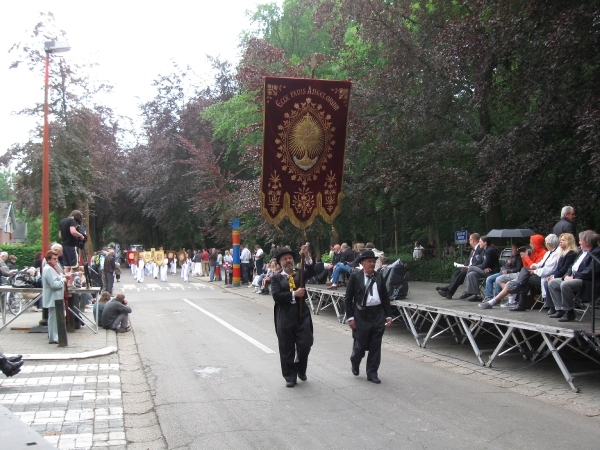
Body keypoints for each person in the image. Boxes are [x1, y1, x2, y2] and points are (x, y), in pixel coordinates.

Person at [344, 250, 393, 384]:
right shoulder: (355, 277)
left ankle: (372, 373)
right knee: (360, 344)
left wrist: (388, 315)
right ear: (362, 263)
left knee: (375, 345)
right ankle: (355, 360)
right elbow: (348, 299)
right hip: (361, 314)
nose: (372, 264)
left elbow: (385, 297)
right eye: (369, 262)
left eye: (374, 261)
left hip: (377, 314)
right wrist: (350, 318)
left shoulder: (379, 277)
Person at [271, 245, 315, 387]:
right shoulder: (276, 278)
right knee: (286, 347)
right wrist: (293, 294)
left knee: (305, 343)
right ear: (280, 263)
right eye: (285, 259)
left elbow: (314, 270)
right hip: (285, 315)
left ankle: (301, 368)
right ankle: (290, 376)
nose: (288, 261)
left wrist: (306, 255)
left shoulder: (300, 273)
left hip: (302, 314)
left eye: (290, 258)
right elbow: (276, 296)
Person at [479, 234, 558, 309]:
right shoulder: (541, 253)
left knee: (517, 282)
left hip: (536, 275)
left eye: (531, 242)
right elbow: (529, 266)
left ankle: (501, 301)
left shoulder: (544, 253)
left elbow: (535, 268)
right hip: (528, 274)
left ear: (536, 243)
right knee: (513, 281)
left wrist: (526, 258)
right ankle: (513, 301)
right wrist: (524, 257)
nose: (530, 244)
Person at [548, 230, 600, 322]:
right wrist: (568, 275)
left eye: (580, 240)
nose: (579, 242)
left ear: (587, 243)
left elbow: (590, 271)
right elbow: (572, 265)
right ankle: (560, 309)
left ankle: (569, 312)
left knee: (565, 285)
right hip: (573, 277)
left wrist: (573, 277)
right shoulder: (581, 251)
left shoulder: (596, 252)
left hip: (587, 281)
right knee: (552, 283)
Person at [436, 233, 483, 299]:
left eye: (469, 240)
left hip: (475, 270)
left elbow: (479, 261)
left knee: (462, 274)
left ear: (473, 240)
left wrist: (468, 267)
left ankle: (448, 290)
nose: (469, 241)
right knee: (457, 273)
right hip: (470, 268)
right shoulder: (474, 249)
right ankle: (449, 292)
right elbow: (469, 260)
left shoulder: (480, 248)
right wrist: (463, 266)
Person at [542, 233, 578, 314]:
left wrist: (554, 276)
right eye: (560, 240)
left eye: (563, 240)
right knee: (546, 281)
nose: (560, 242)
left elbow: (565, 268)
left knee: (550, 282)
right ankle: (553, 306)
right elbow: (558, 268)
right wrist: (553, 275)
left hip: (566, 276)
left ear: (569, 241)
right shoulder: (562, 252)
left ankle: (557, 308)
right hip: (560, 275)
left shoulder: (571, 253)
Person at [463, 236, 501, 302]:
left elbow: (484, 264)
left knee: (471, 267)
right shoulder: (484, 250)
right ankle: (478, 296)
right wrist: (483, 267)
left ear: (485, 242)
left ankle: (468, 290)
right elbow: (480, 262)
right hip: (485, 271)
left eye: (480, 241)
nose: (479, 243)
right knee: (471, 274)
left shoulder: (490, 250)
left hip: (492, 272)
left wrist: (483, 267)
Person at [42, 250, 68, 344]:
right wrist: (63, 281)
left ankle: (54, 336)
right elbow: (53, 284)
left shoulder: (52, 268)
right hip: (53, 297)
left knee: (55, 317)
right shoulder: (48, 269)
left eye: (57, 259)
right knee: (53, 318)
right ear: (48, 259)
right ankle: (53, 337)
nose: (56, 260)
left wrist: (62, 277)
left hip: (56, 297)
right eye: (54, 259)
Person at [58, 210, 85, 285]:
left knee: (67, 266)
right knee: (75, 266)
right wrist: (80, 235)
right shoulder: (72, 221)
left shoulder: (62, 221)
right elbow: (73, 231)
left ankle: (65, 283)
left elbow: (60, 235)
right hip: (72, 245)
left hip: (64, 245)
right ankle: (70, 283)